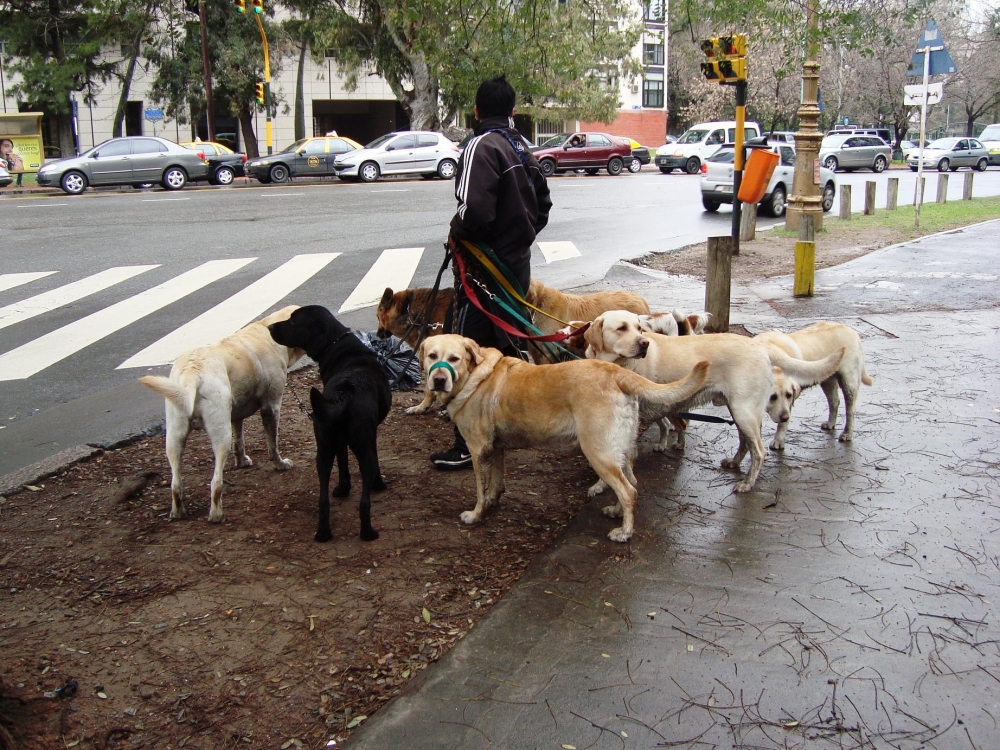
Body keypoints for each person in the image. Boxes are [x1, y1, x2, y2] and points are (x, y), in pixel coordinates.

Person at [429, 74, 552, 470]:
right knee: (508, 346)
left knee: (464, 349)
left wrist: (458, 233)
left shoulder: (481, 145)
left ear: (476, 111)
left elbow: (474, 211)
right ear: (512, 111)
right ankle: (515, 421)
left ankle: (468, 440)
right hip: (515, 267)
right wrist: (519, 241)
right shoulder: (521, 146)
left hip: (484, 270)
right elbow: (544, 204)